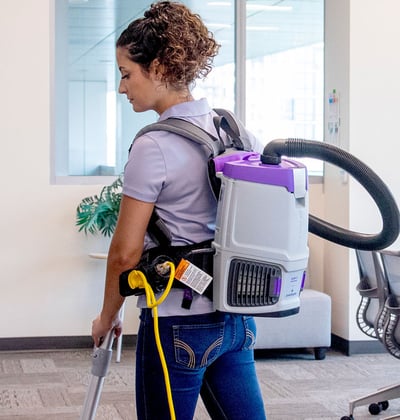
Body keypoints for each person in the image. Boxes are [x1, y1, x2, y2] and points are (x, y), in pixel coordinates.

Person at [91, 1, 267, 419]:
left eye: (126, 74)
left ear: (157, 68)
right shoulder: (234, 129)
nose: (122, 87)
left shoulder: (152, 146)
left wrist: (106, 316)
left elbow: (125, 253)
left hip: (176, 321)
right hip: (234, 318)